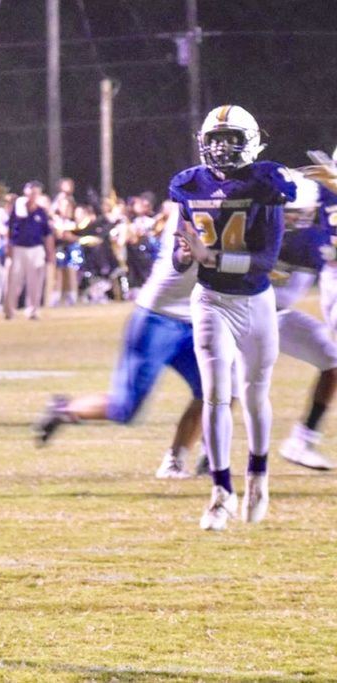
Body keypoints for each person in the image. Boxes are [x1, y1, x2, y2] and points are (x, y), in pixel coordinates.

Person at [173, 104, 295, 531]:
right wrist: (186, 254)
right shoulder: (189, 185)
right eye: (215, 140)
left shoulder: (266, 184)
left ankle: (258, 477)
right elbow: (179, 254)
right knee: (215, 394)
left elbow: (265, 261)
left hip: (255, 303)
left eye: (231, 139)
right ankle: (220, 493)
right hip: (210, 300)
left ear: (252, 141)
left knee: (256, 394)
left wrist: (212, 256)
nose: (222, 149)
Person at [34, 203, 205, 478]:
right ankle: (66, 409)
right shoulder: (191, 210)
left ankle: (178, 460)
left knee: (217, 390)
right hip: (158, 318)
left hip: (194, 321)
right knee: (125, 408)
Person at [272, 171, 337, 471]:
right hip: (239, 316)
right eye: (287, 212)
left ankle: (302, 440)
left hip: (276, 317)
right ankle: (206, 456)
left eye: (298, 213)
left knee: (332, 363)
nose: (292, 219)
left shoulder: (310, 238)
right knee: (233, 385)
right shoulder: (308, 239)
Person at [3, 181, 53, 320]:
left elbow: (47, 233)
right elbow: (9, 229)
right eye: (30, 193)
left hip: (35, 249)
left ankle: (33, 310)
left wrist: (50, 253)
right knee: (13, 280)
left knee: (35, 282)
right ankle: (9, 310)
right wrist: (8, 247)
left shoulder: (40, 212)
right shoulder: (18, 209)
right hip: (18, 248)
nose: (32, 196)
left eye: (35, 193)